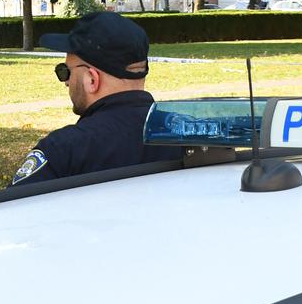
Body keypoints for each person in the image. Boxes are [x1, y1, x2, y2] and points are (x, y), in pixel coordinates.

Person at [11, 10, 180, 185]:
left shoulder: (64, 150)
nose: (66, 82)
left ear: (92, 79)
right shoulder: (190, 135)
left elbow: (12, 209)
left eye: (65, 71)